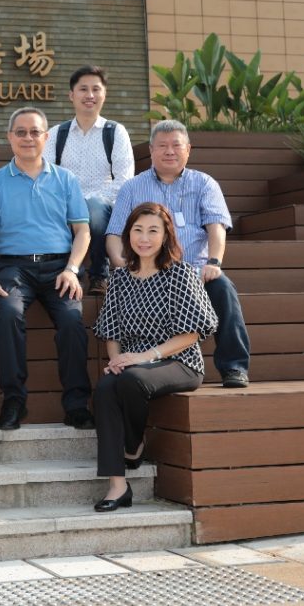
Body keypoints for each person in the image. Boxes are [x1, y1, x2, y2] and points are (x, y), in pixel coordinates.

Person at [106, 120, 252, 388]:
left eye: (176, 145)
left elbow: (216, 227)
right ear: (151, 150)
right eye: (162, 145)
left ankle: (234, 367)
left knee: (223, 288)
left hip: (195, 271)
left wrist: (214, 262)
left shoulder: (204, 183)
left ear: (188, 149)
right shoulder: (131, 187)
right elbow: (115, 233)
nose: (169, 151)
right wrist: (120, 263)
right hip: (149, 272)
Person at [92, 203, 217, 512]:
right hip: (135, 363)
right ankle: (117, 485)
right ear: (128, 235)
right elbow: (111, 331)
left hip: (179, 362)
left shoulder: (180, 273)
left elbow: (193, 333)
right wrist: (116, 360)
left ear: (165, 236)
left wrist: (144, 357)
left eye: (152, 231)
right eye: (137, 230)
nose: (144, 238)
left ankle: (133, 447)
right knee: (107, 387)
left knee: (132, 379)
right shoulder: (120, 278)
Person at [0, 107, 94, 432]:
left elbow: (83, 231)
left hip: (60, 266)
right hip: (14, 269)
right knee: (9, 312)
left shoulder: (66, 179)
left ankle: (76, 405)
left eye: (35, 132)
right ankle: (14, 400)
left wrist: (72, 268)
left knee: (72, 320)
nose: (28, 138)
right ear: (10, 137)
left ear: (46, 137)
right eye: (21, 132)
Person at [43, 65, 134, 296]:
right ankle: (65, 271)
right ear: (71, 95)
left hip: (103, 205)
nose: (90, 95)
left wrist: (86, 201)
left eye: (96, 89)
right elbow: (47, 175)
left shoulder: (115, 132)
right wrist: (72, 202)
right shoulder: (56, 133)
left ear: (104, 94)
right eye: (83, 89)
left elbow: (124, 179)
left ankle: (99, 275)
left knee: (92, 208)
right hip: (64, 203)